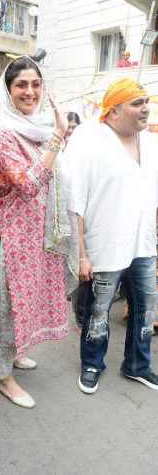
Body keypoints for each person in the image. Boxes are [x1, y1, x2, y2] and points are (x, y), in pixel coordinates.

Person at [0, 56, 77, 408]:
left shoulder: (37, 130)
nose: (30, 91)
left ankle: (16, 351)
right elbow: (27, 184)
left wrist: (53, 136)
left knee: (28, 302)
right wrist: (57, 135)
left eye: (36, 84)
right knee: (10, 306)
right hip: (13, 239)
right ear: (8, 91)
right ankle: (2, 376)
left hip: (38, 238)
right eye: (21, 85)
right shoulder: (3, 135)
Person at [66, 77, 158, 394]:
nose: (146, 108)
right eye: (137, 103)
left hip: (143, 246)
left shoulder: (152, 143)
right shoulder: (90, 142)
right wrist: (81, 254)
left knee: (146, 309)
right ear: (114, 111)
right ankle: (92, 364)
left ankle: (137, 365)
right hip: (105, 248)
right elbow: (74, 202)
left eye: (146, 101)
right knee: (98, 312)